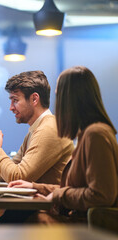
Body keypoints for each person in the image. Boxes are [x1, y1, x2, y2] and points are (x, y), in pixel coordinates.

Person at [6, 66, 118, 224]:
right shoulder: (87, 133)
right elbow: (77, 189)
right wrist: (34, 187)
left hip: (84, 227)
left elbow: (102, 195)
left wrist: (57, 196)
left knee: (23, 223)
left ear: (70, 99)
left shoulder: (96, 134)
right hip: (77, 220)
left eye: (59, 95)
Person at [0, 71, 74, 185]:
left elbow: (17, 177)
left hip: (50, 202)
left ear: (34, 99)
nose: (11, 108)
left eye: (15, 100)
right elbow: (4, 176)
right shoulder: (36, 129)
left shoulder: (49, 129)